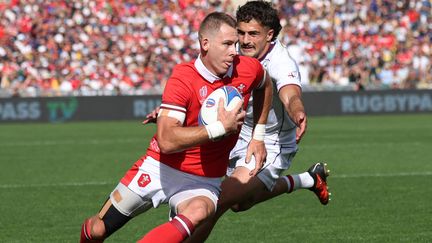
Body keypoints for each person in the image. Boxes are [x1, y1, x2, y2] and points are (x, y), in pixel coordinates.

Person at [79, 12, 273, 243]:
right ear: (205, 44)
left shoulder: (248, 68)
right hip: (159, 167)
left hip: (203, 179)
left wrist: (258, 136)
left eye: (236, 44)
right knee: (98, 230)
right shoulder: (183, 78)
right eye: (227, 44)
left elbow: (265, 84)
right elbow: (167, 141)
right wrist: (220, 128)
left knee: (201, 210)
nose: (234, 51)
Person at [183, 1, 331, 242]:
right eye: (241, 32)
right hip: (238, 133)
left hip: (271, 142)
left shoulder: (280, 61)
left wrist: (297, 111)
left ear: (269, 35)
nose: (244, 40)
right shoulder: (232, 51)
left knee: (218, 201)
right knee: (239, 204)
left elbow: (290, 93)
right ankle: (308, 179)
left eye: (253, 34)